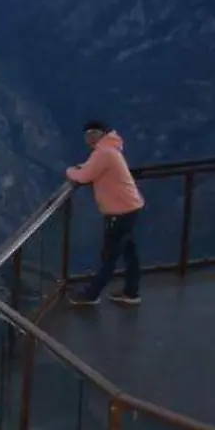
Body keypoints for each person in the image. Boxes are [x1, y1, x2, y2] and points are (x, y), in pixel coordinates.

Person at [65, 119, 146, 306]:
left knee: (110, 255)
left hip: (119, 212)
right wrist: (83, 168)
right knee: (129, 252)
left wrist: (70, 171)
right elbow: (91, 168)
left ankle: (91, 295)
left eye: (90, 133)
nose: (87, 138)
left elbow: (84, 176)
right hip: (130, 207)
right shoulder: (109, 151)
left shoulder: (104, 153)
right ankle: (131, 292)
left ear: (98, 134)